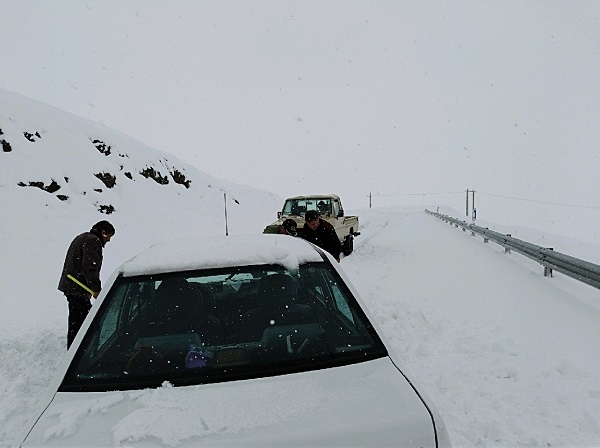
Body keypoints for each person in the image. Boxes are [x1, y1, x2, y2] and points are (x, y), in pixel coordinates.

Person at [58, 220, 115, 349]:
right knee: (82, 322)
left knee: (77, 320)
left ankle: (76, 349)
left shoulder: (83, 237)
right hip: (77, 288)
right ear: (103, 232)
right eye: (109, 236)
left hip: (73, 286)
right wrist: (96, 289)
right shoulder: (92, 241)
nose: (108, 240)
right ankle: (78, 351)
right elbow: (90, 268)